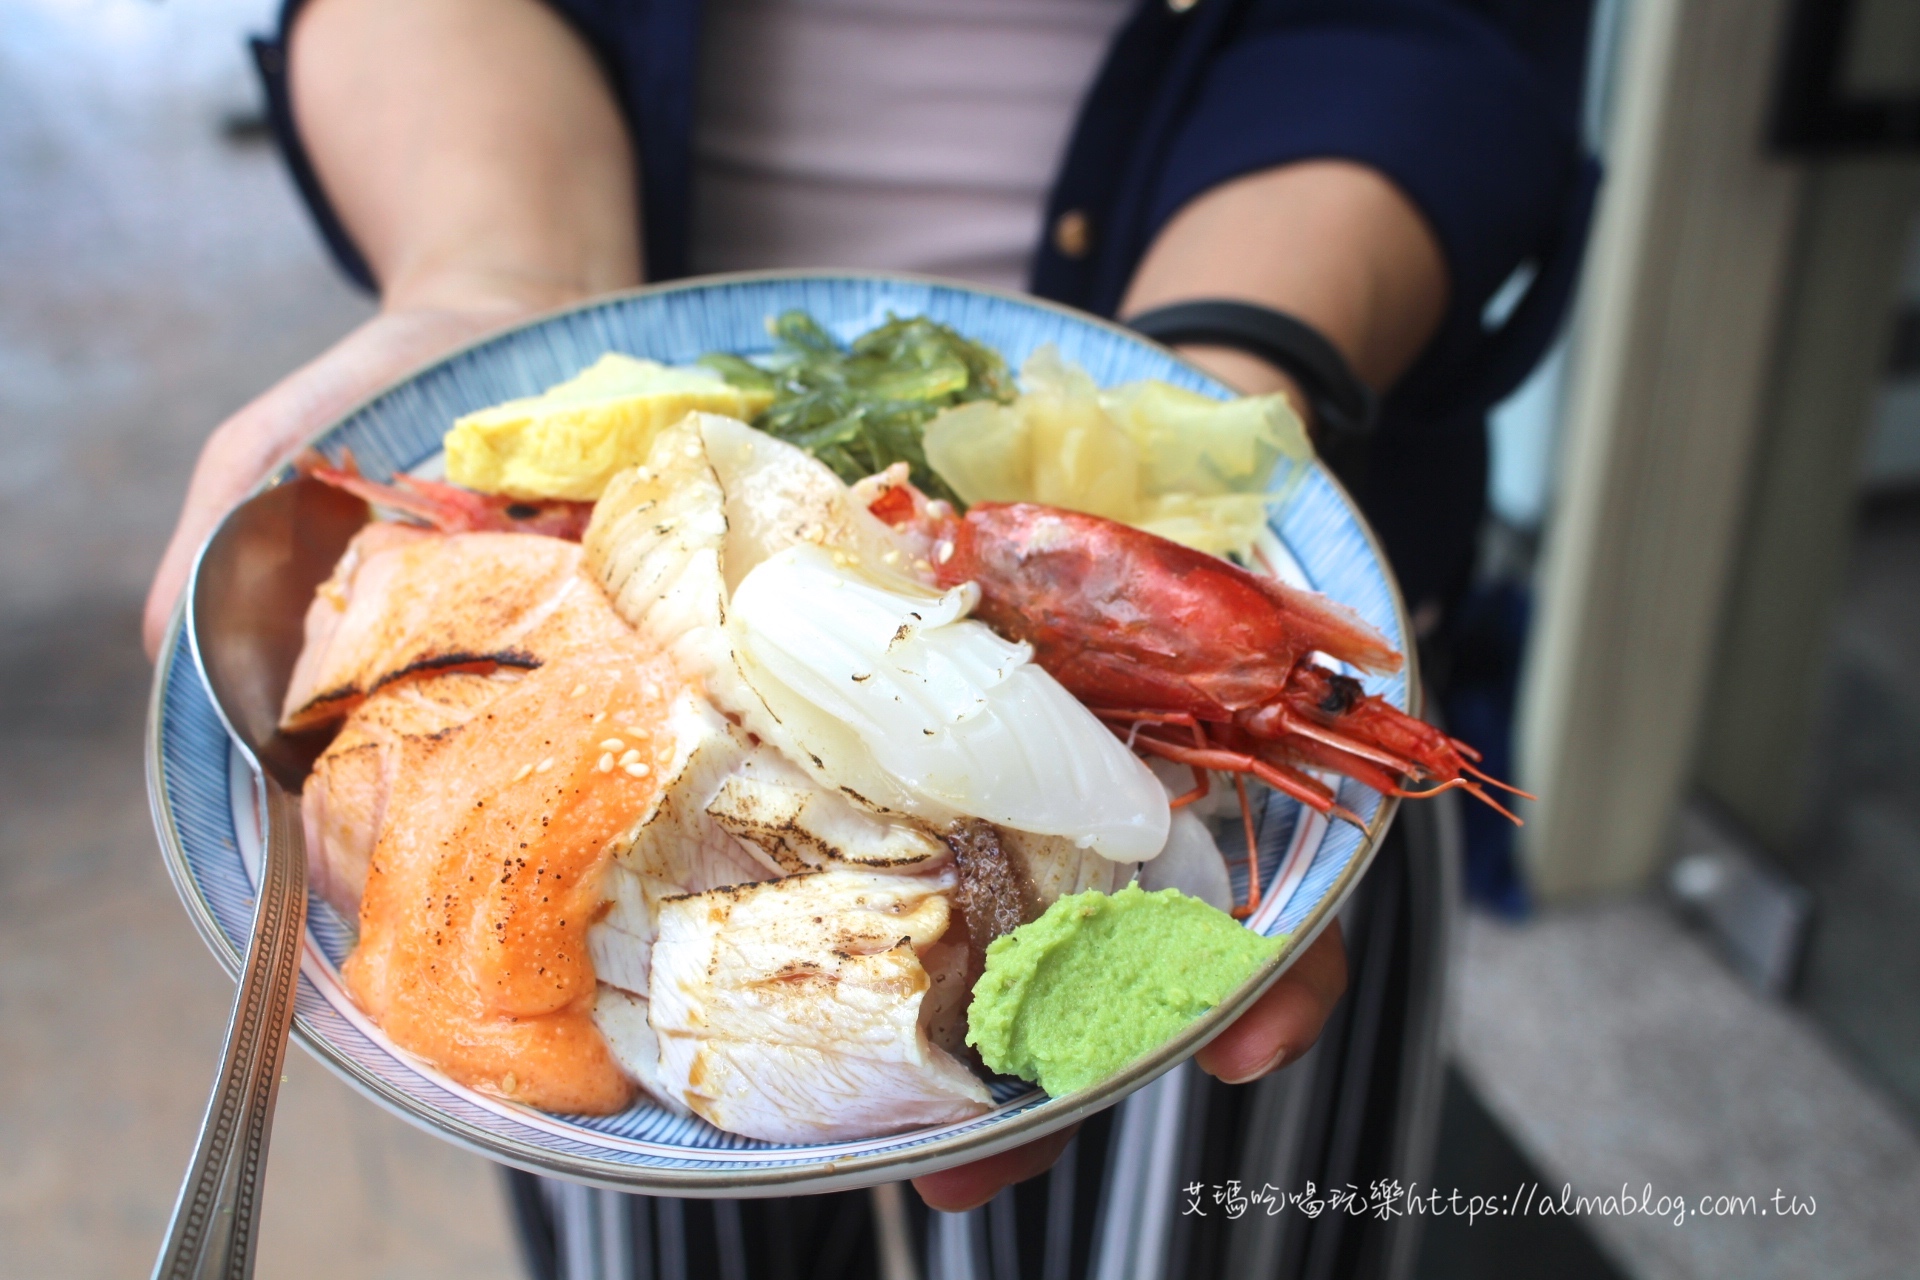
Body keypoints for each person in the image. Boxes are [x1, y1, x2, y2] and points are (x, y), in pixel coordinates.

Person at [143, 0, 1594, 1261]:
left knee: (1212, 1208)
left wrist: (1207, 394)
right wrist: (491, 300)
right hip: (628, 367)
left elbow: (1446, 31)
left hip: (1267, 332)